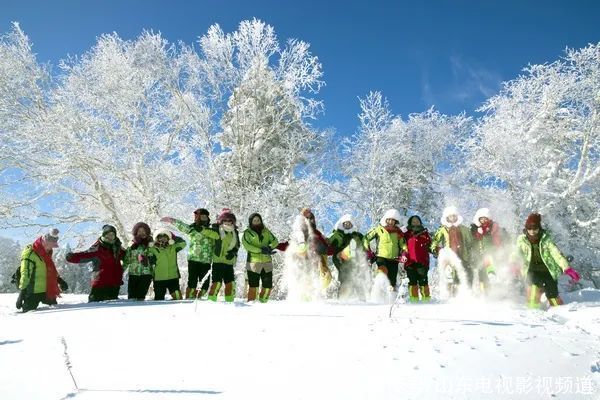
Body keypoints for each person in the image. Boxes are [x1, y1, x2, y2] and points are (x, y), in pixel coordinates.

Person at [514, 213, 580, 308]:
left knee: (552, 294)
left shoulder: (546, 239)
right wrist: (514, 264)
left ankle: (559, 311)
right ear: (526, 229)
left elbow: (556, 254)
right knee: (533, 291)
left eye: (535, 228)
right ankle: (533, 313)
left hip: (547, 271)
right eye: (530, 229)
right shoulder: (522, 240)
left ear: (539, 228)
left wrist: (567, 268)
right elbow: (516, 253)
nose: (532, 231)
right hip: (531, 270)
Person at [161, 208, 215, 299]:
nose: (202, 218)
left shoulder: (211, 231)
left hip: (206, 260)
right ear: (196, 218)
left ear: (207, 218)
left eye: (204, 216)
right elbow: (183, 226)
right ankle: (189, 298)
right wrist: (172, 221)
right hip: (193, 259)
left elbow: (216, 243)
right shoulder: (192, 229)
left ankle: (198, 297)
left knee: (205, 284)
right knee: (192, 282)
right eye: (200, 216)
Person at [66, 225, 125, 302]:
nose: (110, 237)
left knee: (112, 310)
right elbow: (85, 254)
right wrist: (72, 257)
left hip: (114, 284)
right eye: (108, 234)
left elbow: (129, 256)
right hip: (100, 284)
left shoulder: (117, 248)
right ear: (103, 235)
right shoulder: (97, 248)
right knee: (95, 306)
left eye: (112, 235)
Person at [16, 228, 68, 312]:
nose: (51, 248)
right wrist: (21, 293)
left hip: (47, 290)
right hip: (33, 291)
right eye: (50, 246)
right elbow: (25, 273)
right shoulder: (30, 254)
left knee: (54, 312)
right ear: (44, 243)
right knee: (28, 313)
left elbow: (49, 270)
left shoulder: (47, 254)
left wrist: (60, 280)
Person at [430, 206, 473, 296]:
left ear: (457, 216)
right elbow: (435, 240)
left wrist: (470, 250)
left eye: (454, 216)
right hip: (450, 255)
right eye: (450, 216)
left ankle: (464, 293)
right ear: (447, 217)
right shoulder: (443, 229)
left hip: (462, 254)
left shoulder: (463, 228)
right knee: (450, 274)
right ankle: (451, 294)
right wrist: (435, 249)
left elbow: (470, 240)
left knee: (463, 273)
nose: (452, 218)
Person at [363, 209, 408, 292]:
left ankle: (391, 297)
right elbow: (365, 238)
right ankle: (378, 290)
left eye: (393, 220)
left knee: (392, 280)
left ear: (396, 221)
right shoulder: (378, 229)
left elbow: (403, 244)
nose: (391, 221)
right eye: (389, 219)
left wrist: (405, 253)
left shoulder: (398, 232)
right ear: (385, 219)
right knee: (382, 271)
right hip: (381, 256)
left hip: (394, 258)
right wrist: (368, 251)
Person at [242, 213, 280, 303]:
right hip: (253, 262)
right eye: (254, 221)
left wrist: (269, 247)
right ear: (251, 222)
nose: (256, 222)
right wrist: (260, 250)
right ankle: (251, 304)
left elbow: (275, 241)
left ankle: (263, 303)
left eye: (258, 220)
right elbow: (247, 246)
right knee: (253, 286)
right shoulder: (247, 233)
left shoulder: (266, 231)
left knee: (268, 286)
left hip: (267, 262)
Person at [328, 214, 366, 297]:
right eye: (345, 224)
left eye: (349, 224)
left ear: (352, 225)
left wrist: (366, 253)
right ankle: (343, 296)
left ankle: (356, 296)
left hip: (352, 258)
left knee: (354, 275)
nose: (347, 225)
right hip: (339, 257)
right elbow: (328, 242)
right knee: (344, 274)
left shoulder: (356, 235)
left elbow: (364, 242)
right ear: (342, 224)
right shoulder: (337, 234)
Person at [206, 209, 240, 302]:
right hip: (218, 261)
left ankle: (230, 302)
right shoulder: (216, 230)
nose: (228, 222)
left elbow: (237, 245)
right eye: (225, 220)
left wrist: (233, 253)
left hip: (229, 262)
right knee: (216, 283)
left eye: (230, 220)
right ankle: (211, 301)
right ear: (221, 221)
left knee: (230, 284)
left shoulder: (235, 232)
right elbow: (206, 232)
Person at [470, 208, 505, 294]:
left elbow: (501, 238)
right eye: (481, 219)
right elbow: (472, 242)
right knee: (481, 275)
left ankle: (494, 287)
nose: (483, 220)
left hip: (492, 253)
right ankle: (484, 292)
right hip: (479, 254)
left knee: (490, 265)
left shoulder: (493, 228)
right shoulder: (474, 229)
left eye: (485, 218)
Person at [149, 229, 186, 300]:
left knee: (178, 298)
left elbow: (183, 243)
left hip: (173, 277)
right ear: (156, 239)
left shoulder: (173, 247)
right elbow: (146, 253)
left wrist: (173, 236)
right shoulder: (152, 249)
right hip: (159, 278)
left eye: (165, 237)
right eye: (160, 237)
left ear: (169, 239)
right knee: (159, 299)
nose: (162, 239)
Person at [403, 215, 432, 302]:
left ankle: (426, 299)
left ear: (420, 222)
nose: (415, 222)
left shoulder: (425, 233)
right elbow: (400, 242)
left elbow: (430, 244)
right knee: (412, 281)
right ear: (410, 222)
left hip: (422, 261)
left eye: (417, 221)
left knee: (423, 280)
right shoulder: (406, 233)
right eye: (413, 221)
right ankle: (413, 299)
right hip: (410, 262)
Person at [123, 222, 154, 300]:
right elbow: (127, 259)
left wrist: (147, 258)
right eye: (139, 231)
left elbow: (155, 259)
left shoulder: (151, 244)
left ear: (147, 233)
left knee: (141, 297)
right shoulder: (131, 245)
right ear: (136, 232)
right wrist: (121, 271)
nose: (141, 233)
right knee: (132, 297)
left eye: (144, 231)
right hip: (133, 273)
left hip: (146, 274)